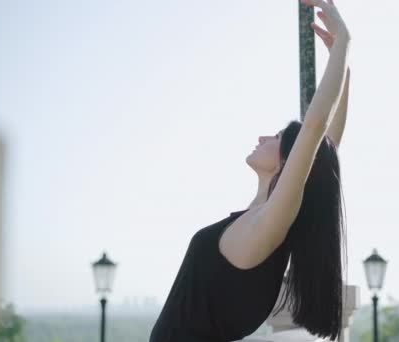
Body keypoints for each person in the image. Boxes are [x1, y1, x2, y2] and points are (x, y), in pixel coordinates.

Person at [149, 0, 350, 340]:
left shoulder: (271, 223)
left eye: (275, 137)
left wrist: (344, 43)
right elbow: (325, 144)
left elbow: (316, 131)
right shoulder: (262, 217)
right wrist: (342, 68)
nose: (262, 136)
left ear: (289, 163)